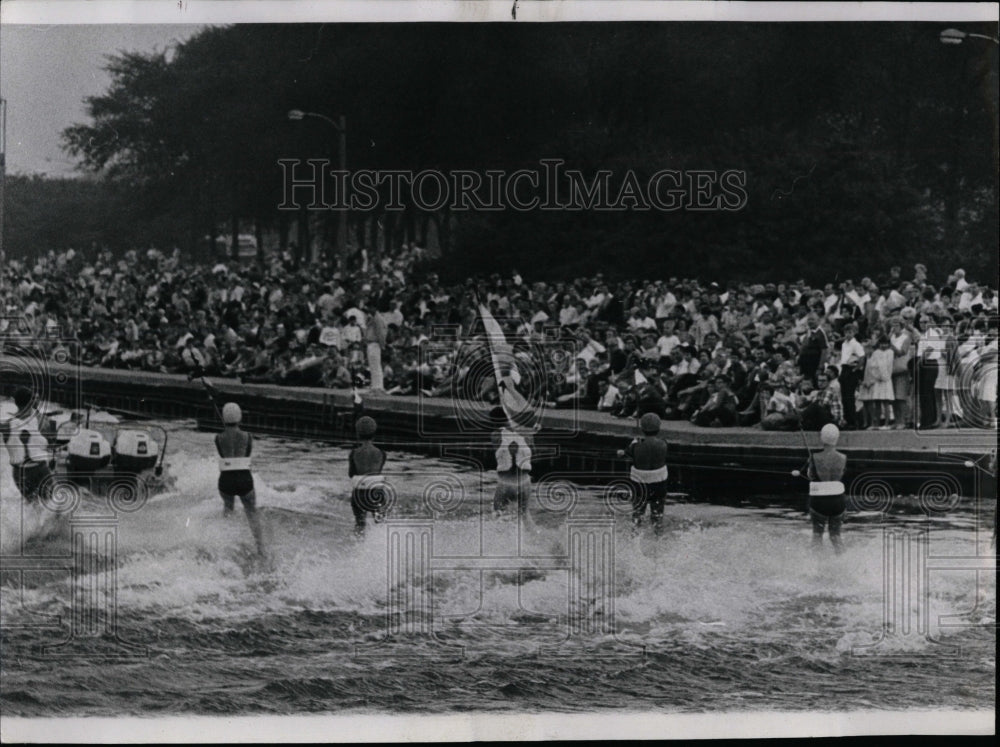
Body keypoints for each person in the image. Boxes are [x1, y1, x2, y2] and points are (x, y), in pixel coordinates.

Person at [215, 402, 265, 555]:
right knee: (251, 512)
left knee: (228, 509)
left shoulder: (218, 438)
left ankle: (226, 546)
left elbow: (224, 455)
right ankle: (261, 549)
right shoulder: (247, 436)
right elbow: (247, 454)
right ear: (240, 418)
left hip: (226, 480)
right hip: (244, 479)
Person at [0, 387, 53, 504]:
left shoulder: (6, 425)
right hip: (40, 469)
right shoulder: (43, 421)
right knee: (51, 504)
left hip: (20, 473)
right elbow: (49, 444)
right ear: (32, 401)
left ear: (15, 402)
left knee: (32, 505)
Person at [620, 412, 669, 535]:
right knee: (657, 515)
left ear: (642, 428)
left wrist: (632, 443)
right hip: (659, 482)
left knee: (637, 514)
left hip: (639, 483)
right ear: (658, 428)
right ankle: (658, 538)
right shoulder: (664, 443)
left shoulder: (635, 445)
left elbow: (625, 454)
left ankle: (634, 538)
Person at [806, 423, 847, 553]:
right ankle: (843, 563)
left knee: (817, 535)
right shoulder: (843, 458)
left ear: (821, 438)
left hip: (819, 502)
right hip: (837, 501)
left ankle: (816, 565)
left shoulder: (814, 457)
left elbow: (810, 476)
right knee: (836, 536)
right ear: (837, 438)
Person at [348, 415, 389, 537]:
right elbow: (378, 471)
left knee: (360, 525)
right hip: (377, 492)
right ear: (374, 433)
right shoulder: (382, 453)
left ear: (358, 434)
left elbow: (351, 474)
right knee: (381, 523)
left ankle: (359, 548)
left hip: (360, 493)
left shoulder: (354, 453)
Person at [489, 406, 533, 517]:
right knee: (525, 516)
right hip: (525, 481)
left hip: (506, 482)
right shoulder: (527, 435)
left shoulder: (495, 435)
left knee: (497, 515)